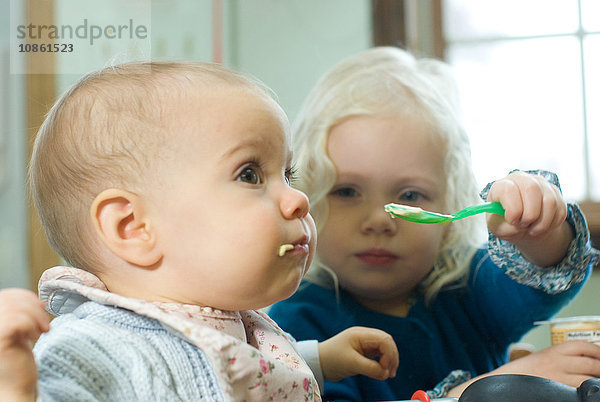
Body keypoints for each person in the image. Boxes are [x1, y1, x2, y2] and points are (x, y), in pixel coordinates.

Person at [0, 61, 401, 401]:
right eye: (250, 175)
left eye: (287, 174)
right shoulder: (93, 348)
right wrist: (14, 388)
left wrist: (320, 359)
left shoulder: (228, 316)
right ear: (133, 227)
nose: (298, 200)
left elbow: (244, 371)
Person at [268, 46, 600, 401]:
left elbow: (547, 276)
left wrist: (538, 225)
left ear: (451, 206)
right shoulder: (295, 326)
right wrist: (477, 392)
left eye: (410, 195)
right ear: (307, 199)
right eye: (347, 191)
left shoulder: (467, 290)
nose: (379, 220)